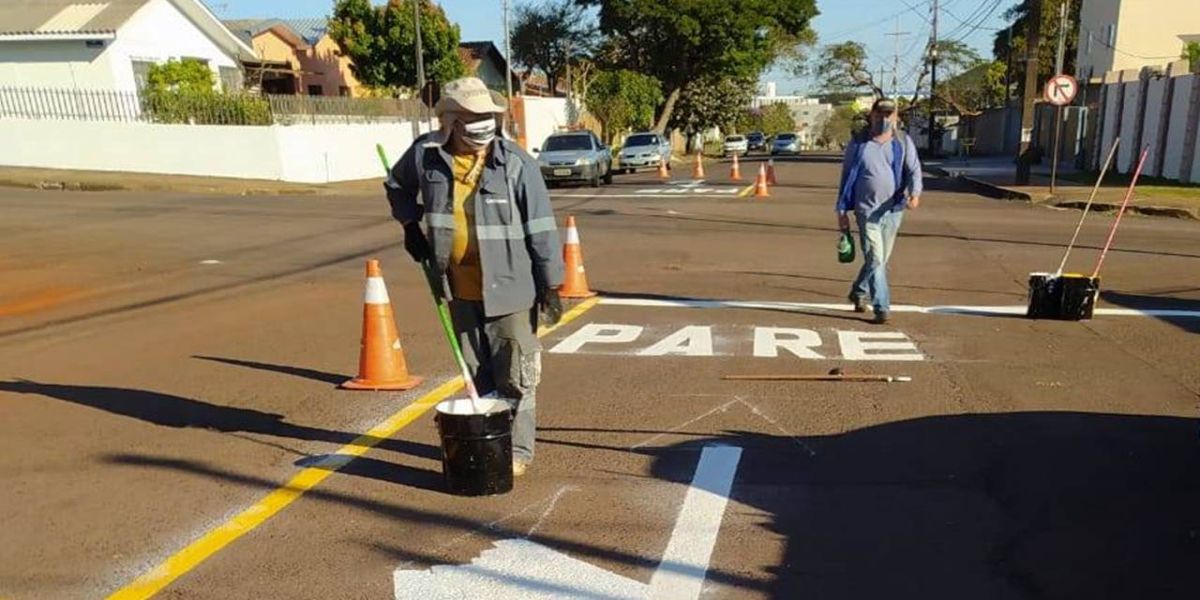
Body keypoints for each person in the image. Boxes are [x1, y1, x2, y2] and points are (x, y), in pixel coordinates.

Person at [385, 77, 564, 477]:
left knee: (516, 374)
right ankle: (489, 443)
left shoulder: (516, 164)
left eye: (487, 116)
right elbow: (396, 185)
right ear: (448, 121)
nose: (482, 123)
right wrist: (410, 224)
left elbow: (541, 228)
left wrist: (551, 284)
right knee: (476, 373)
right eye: (471, 117)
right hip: (457, 288)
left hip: (512, 291)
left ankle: (517, 450)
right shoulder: (425, 156)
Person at [835, 98, 923, 325]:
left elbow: (914, 170)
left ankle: (858, 291)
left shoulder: (902, 141)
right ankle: (881, 306)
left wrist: (915, 194)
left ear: (895, 118)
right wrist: (842, 210)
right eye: (879, 115)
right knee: (875, 258)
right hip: (866, 210)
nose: (884, 119)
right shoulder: (859, 143)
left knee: (879, 260)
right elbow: (846, 177)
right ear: (871, 116)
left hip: (893, 209)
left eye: (888, 115)